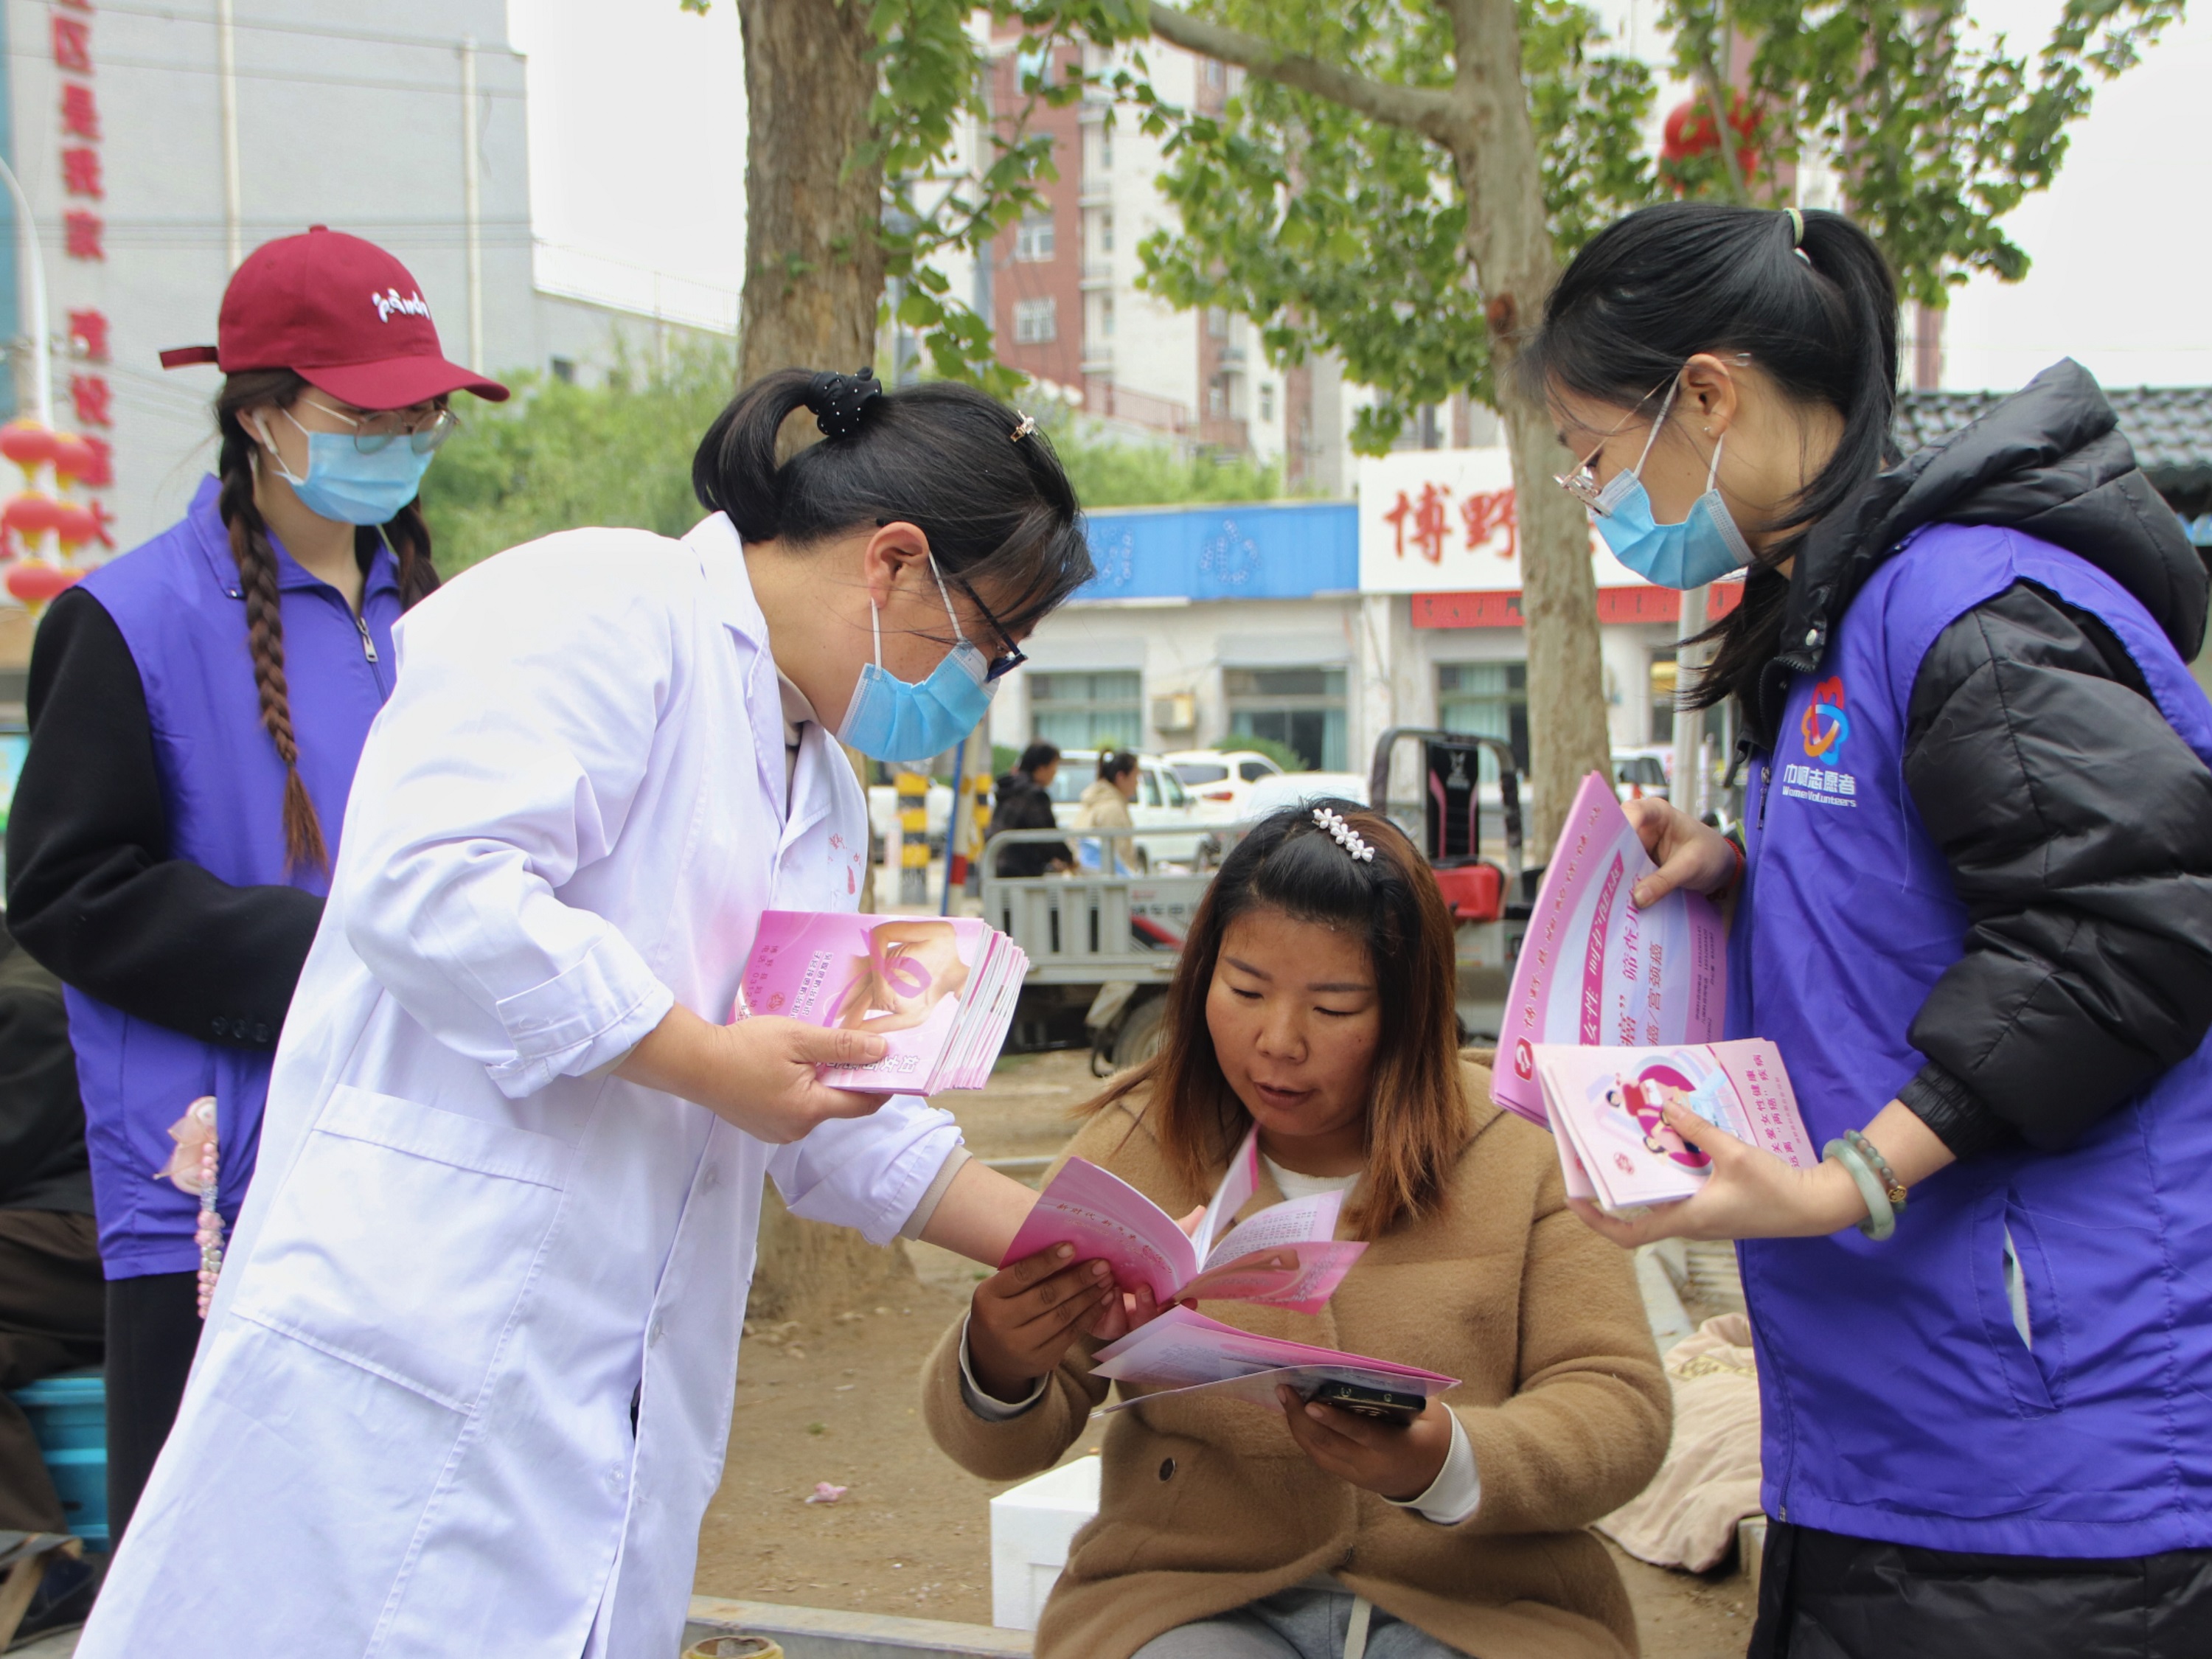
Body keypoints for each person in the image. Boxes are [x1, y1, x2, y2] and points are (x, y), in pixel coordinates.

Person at [72, 366, 1093, 1659]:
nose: (967, 696)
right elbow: (430, 883)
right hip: (417, 1324)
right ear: (893, 564)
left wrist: (1095, 1249)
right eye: (977, 648)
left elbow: (837, 1112)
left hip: (600, 1393)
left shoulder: (819, 788)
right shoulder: (608, 604)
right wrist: (705, 1061)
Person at [1522, 200, 2212, 1655]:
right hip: (1892, 1422)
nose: (1599, 498)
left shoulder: (1968, 606)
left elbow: (2129, 935)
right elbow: (1943, 893)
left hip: (2047, 1456)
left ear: (1706, 395)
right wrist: (1749, 871)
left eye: (1596, 454)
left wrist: (1850, 1184)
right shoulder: (1837, 618)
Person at [4, 226, 507, 1545]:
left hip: (425, 1146)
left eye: (424, 413)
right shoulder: (126, 618)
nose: (400, 436)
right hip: (215, 1188)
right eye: (365, 412)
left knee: (402, 1555)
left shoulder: (446, 619)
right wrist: (338, 958)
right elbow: (67, 892)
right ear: (262, 414)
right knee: (218, 1566)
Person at [922, 802, 1669, 1659]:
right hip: (1189, 1599)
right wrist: (1002, 1359)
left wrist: (1449, 1461)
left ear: (1408, 1010)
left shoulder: (1519, 1144)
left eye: (1336, 1007)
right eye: (1244, 991)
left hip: (1483, 1604)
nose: (1278, 1042)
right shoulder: (1140, 1141)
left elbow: (1620, 1403)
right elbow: (1004, 1436)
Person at [993, 740, 1071, 877]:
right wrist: (1069, 859)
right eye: (1054, 767)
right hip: (1020, 871)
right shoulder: (1034, 795)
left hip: (996, 866)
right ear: (1041, 768)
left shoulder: (1010, 788)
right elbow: (1049, 836)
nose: (1055, 773)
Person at [1074, 747, 1140, 829]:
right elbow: (1119, 841)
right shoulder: (1113, 809)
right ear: (1121, 777)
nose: (1137, 783)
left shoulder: (1095, 800)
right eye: (1136, 777)